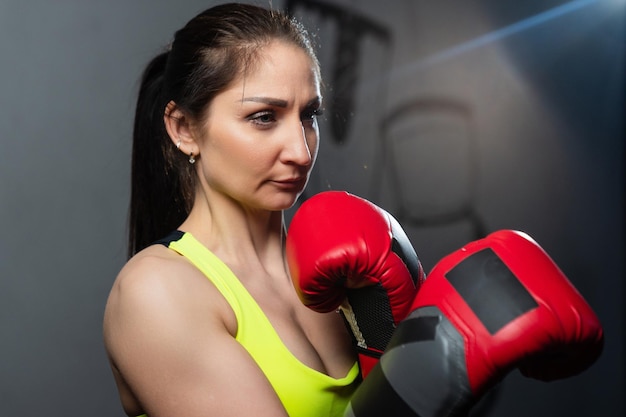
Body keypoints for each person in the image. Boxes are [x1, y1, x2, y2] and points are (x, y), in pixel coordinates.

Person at [103, 4, 360, 417]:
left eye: (309, 115)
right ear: (184, 128)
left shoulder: (339, 271)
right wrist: (424, 377)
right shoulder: (157, 293)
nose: (300, 150)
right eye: (263, 117)